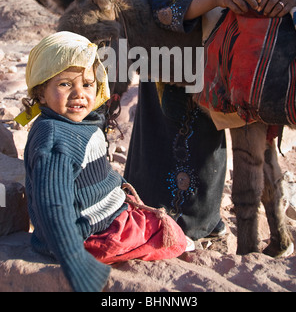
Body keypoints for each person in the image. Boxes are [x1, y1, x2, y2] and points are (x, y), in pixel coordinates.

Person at [125, 0, 296, 239]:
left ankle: (218, 227)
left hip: (250, 70)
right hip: (178, 64)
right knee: (171, 149)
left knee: (250, 152)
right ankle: (157, 225)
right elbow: (160, 1)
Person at [16, 31, 191, 293]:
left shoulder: (76, 123)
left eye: (87, 85)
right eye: (65, 85)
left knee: (158, 221)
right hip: (89, 238)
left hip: (100, 218)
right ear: (41, 92)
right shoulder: (54, 140)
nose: (79, 94)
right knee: (168, 233)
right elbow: (53, 205)